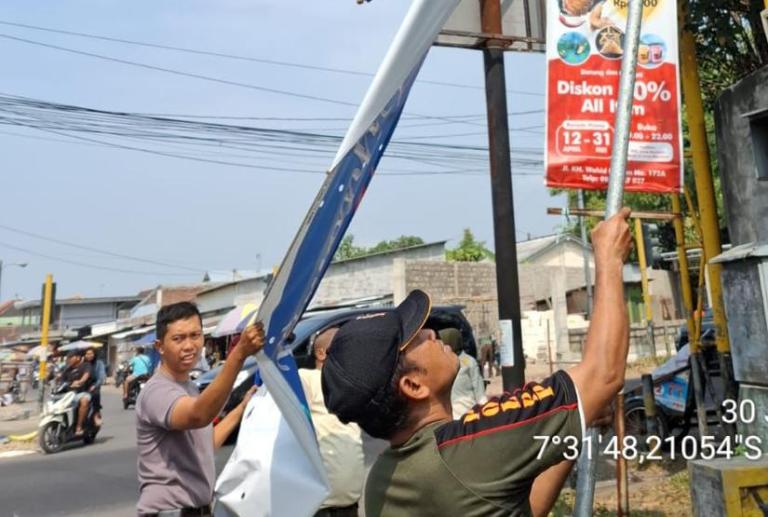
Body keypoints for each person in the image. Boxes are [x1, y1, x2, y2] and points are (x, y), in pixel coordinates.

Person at [321, 209, 632, 516]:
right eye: (415, 338)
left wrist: (574, 420)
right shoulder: (470, 447)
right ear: (413, 385)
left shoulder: (381, 480)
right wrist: (609, 258)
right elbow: (603, 374)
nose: (431, 333)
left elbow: (522, 507)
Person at [135, 302, 264, 517]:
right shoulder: (156, 391)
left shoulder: (190, 388)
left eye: (195, 335)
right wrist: (239, 353)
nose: (189, 345)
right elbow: (198, 415)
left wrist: (241, 408)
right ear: (160, 346)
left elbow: (205, 445)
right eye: (178, 338)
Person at [299, 327, 364, 517]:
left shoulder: (349, 387)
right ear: (321, 353)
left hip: (350, 505)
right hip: (320, 509)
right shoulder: (307, 377)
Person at [439, 328, 487, 419]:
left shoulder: (469, 361)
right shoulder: (440, 363)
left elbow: (479, 390)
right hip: (450, 418)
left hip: (469, 415)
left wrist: (484, 413)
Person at [60, 350, 93, 436]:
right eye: (68, 358)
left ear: (78, 358)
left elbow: (86, 375)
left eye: (71, 357)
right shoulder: (67, 369)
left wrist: (80, 381)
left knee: (84, 401)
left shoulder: (86, 365)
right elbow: (61, 381)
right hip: (68, 395)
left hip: (82, 392)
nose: (69, 359)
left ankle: (79, 426)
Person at [84, 348, 106, 427]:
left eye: (91, 353)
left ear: (94, 354)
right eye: (87, 354)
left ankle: (96, 414)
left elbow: (101, 377)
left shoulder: (99, 363)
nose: (89, 355)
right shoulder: (82, 363)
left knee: (96, 394)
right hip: (82, 385)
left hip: (94, 385)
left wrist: (95, 385)